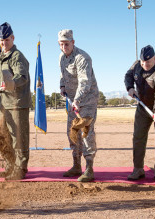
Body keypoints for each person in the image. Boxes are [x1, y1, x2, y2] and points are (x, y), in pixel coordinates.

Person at [124, 45, 155, 184]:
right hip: (143, 106)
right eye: (142, 62)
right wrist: (130, 87)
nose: (145, 64)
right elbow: (128, 75)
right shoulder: (137, 65)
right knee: (138, 137)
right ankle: (138, 169)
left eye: (148, 62)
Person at [0, 22, 31, 180]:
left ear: (12, 38)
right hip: (3, 104)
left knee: (19, 138)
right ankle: (9, 165)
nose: (4, 43)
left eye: (7, 40)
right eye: (1, 41)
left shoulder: (17, 56)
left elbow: (23, 77)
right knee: (4, 136)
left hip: (17, 104)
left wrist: (10, 83)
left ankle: (20, 169)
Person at [58, 29, 99, 182]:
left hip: (87, 99)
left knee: (87, 131)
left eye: (66, 44)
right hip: (72, 101)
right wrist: (62, 86)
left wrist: (78, 99)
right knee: (73, 131)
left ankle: (89, 168)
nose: (64, 47)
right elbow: (62, 75)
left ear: (73, 42)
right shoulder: (62, 57)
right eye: (61, 44)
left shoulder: (83, 58)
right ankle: (76, 165)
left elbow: (85, 82)